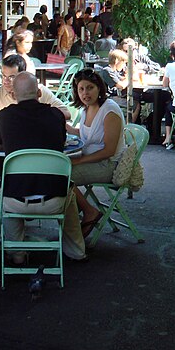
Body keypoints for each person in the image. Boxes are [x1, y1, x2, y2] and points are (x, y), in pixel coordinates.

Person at [0, 72, 87, 264]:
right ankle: (76, 251)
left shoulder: (5, 116)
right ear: (39, 93)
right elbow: (61, 142)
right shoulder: (56, 115)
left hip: (15, 200)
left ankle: (17, 253)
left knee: (5, 188)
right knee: (69, 191)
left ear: (14, 95)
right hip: (54, 199)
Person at [65, 69, 127, 237]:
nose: (85, 93)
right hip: (90, 160)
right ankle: (72, 216)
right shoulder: (86, 109)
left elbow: (109, 150)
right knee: (55, 169)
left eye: (90, 88)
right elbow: (88, 135)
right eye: (81, 89)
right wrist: (67, 128)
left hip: (108, 165)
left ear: (99, 88)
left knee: (62, 178)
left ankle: (88, 211)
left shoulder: (109, 111)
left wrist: (79, 160)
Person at [0, 54, 70, 118]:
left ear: (22, 75)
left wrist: (39, 116)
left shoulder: (38, 91)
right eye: (3, 76)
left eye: (12, 77)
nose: (6, 81)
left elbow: (66, 113)